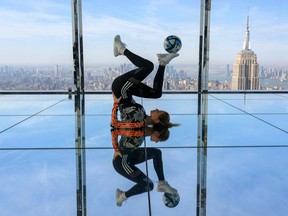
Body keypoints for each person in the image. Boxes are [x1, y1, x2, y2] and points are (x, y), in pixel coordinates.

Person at [111, 35, 179, 130]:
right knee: (157, 94)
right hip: (127, 90)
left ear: (157, 120)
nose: (156, 109)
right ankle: (162, 63)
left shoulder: (138, 124)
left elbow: (114, 125)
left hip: (121, 89)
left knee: (148, 66)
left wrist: (115, 105)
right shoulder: (143, 118)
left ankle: (121, 49)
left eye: (158, 111)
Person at [111, 126, 178, 207]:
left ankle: (162, 183)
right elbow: (117, 129)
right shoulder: (140, 132)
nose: (157, 142)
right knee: (149, 185)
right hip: (121, 162)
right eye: (159, 140)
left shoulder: (143, 132)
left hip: (129, 155)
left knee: (157, 153)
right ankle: (121, 196)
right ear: (157, 133)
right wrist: (116, 149)